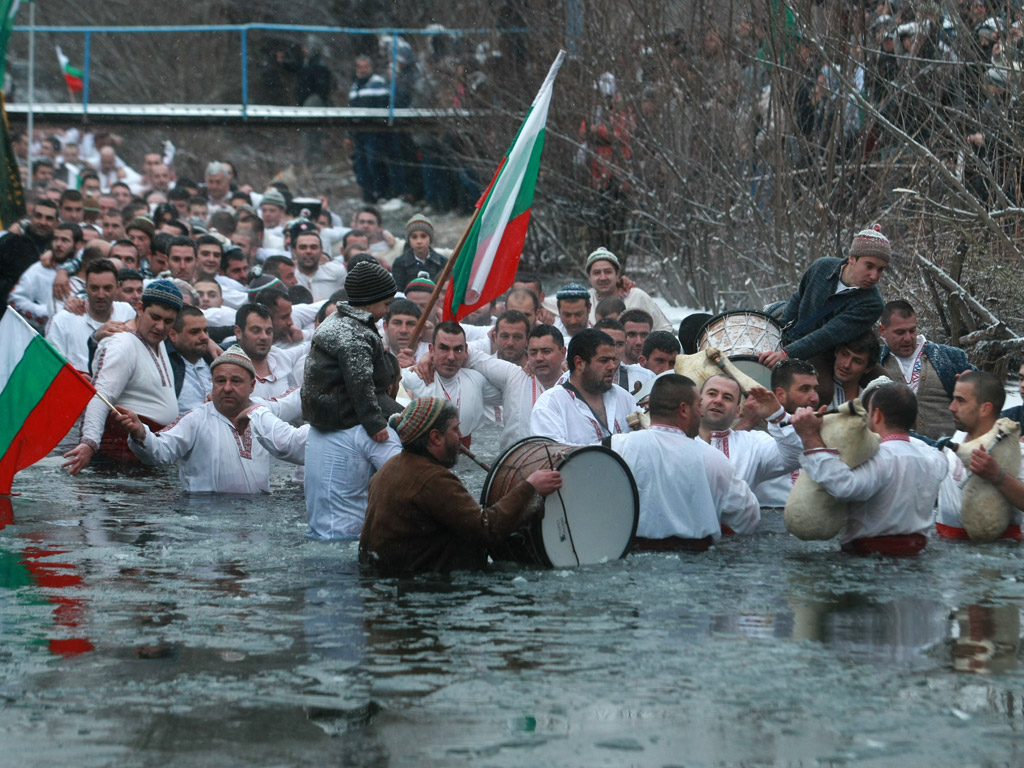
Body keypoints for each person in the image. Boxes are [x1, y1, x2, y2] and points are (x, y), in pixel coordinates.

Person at [359, 397, 562, 575]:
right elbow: (487, 529)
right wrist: (530, 488)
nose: (461, 434)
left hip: (386, 580)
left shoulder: (388, 469)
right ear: (435, 437)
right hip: (418, 587)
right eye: (455, 429)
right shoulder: (433, 479)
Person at [302, 261, 404, 540]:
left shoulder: (336, 321)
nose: (388, 311)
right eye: (386, 304)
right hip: (345, 539)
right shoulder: (354, 334)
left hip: (324, 416)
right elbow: (360, 383)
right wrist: (375, 425)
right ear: (370, 303)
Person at [120, 345, 308, 493]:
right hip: (206, 522)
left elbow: (296, 397)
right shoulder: (196, 419)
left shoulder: (263, 411)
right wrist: (140, 432)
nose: (226, 388)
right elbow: (160, 452)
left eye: (235, 381)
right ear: (212, 383)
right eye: (220, 381)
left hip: (257, 521)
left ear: (252, 385)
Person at [790, 382, 947, 555]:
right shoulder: (935, 459)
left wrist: (810, 436)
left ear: (877, 415)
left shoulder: (879, 458)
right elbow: (916, 447)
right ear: (914, 419)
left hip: (869, 558)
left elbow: (844, 487)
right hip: (919, 555)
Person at [610, 374, 760, 551]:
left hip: (629, 558)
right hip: (694, 564)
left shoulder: (615, 446)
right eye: (698, 406)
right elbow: (749, 519)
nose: (702, 412)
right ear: (684, 410)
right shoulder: (714, 459)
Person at [64, 280, 184, 473]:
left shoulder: (156, 338)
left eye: (168, 321)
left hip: (147, 457)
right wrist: (89, 443)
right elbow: (100, 396)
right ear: (140, 308)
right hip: (116, 461)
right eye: (155, 317)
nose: (160, 326)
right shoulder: (122, 344)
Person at [760, 225, 890, 397]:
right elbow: (797, 298)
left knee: (888, 389)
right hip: (795, 335)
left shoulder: (872, 303)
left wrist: (786, 353)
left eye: (880, 269)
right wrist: (775, 332)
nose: (874, 276)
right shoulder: (822, 267)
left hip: (832, 351)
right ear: (852, 259)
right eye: (869, 266)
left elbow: (828, 335)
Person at [939, 371, 1024, 540]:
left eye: (960, 401)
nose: (951, 407)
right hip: (944, 545)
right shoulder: (956, 438)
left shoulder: (1016, 451)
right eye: (954, 398)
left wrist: (998, 476)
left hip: (995, 556)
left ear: (985, 408)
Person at [878, 300, 975, 440]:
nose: (908, 338)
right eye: (899, 332)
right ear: (883, 330)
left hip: (948, 454)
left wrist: (973, 384)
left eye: (912, 330)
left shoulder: (949, 357)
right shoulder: (874, 362)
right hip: (895, 456)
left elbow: (987, 394)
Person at [531, 328, 639, 445]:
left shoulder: (623, 397)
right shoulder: (550, 404)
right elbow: (553, 456)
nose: (612, 366)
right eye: (604, 360)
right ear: (579, 363)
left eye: (613, 359)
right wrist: (610, 446)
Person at [401, 321, 501, 446]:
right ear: (431, 350)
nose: (451, 357)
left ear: (466, 351)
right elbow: (386, 384)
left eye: (458, 350)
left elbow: (510, 391)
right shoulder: (414, 378)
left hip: (469, 457)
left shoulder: (477, 379)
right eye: (444, 348)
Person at [698, 374, 803, 491]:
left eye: (727, 398)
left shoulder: (754, 444)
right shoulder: (677, 439)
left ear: (737, 412)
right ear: (697, 402)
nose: (718, 401)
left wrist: (777, 416)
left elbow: (796, 456)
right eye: (712, 394)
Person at [46, 258, 135, 375]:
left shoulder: (127, 312)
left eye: (107, 288)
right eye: (94, 288)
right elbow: (49, 366)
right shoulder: (62, 321)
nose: (101, 295)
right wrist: (76, 381)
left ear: (118, 287)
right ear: (86, 287)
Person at [753, 358, 820, 507]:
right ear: (781, 395)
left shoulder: (825, 429)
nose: (814, 398)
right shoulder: (755, 436)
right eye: (805, 389)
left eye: (815, 389)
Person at [9, 222, 82, 330]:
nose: (58, 244)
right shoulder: (38, 269)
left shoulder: (85, 267)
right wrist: (47, 312)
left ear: (77, 245)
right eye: (55, 239)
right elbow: (15, 300)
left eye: (64, 240)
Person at [584, 247, 673, 331]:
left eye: (608, 272)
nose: (603, 277)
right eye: (596, 273)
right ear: (589, 278)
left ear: (617, 275)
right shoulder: (586, 300)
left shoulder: (637, 297)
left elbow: (665, 329)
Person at [233, 303, 301, 399]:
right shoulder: (228, 370)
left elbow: (307, 346)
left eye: (269, 331)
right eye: (256, 331)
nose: (264, 337)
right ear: (238, 332)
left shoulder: (280, 356)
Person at [166, 304, 213, 414]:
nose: (205, 337)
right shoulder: (164, 365)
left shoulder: (216, 359)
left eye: (205, 330)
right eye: (194, 332)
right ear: (173, 335)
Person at [391, 214, 447, 292]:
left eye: (423, 236)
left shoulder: (442, 262)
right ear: (409, 240)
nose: (419, 241)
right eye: (414, 237)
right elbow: (398, 291)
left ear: (430, 238)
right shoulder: (400, 263)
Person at [830, 331, 881, 407]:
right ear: (837, 352)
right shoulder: (815, 390)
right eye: (844, 354)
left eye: (857, 361)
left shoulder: (867, 404)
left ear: (868, 368)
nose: (847, 365)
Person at [292, 229, 346, 300]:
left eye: (313, 247)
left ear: (321, 251)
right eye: (303, 247)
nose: (308, 251)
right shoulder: (289, 276)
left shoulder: (337, 272)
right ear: (294, 252)